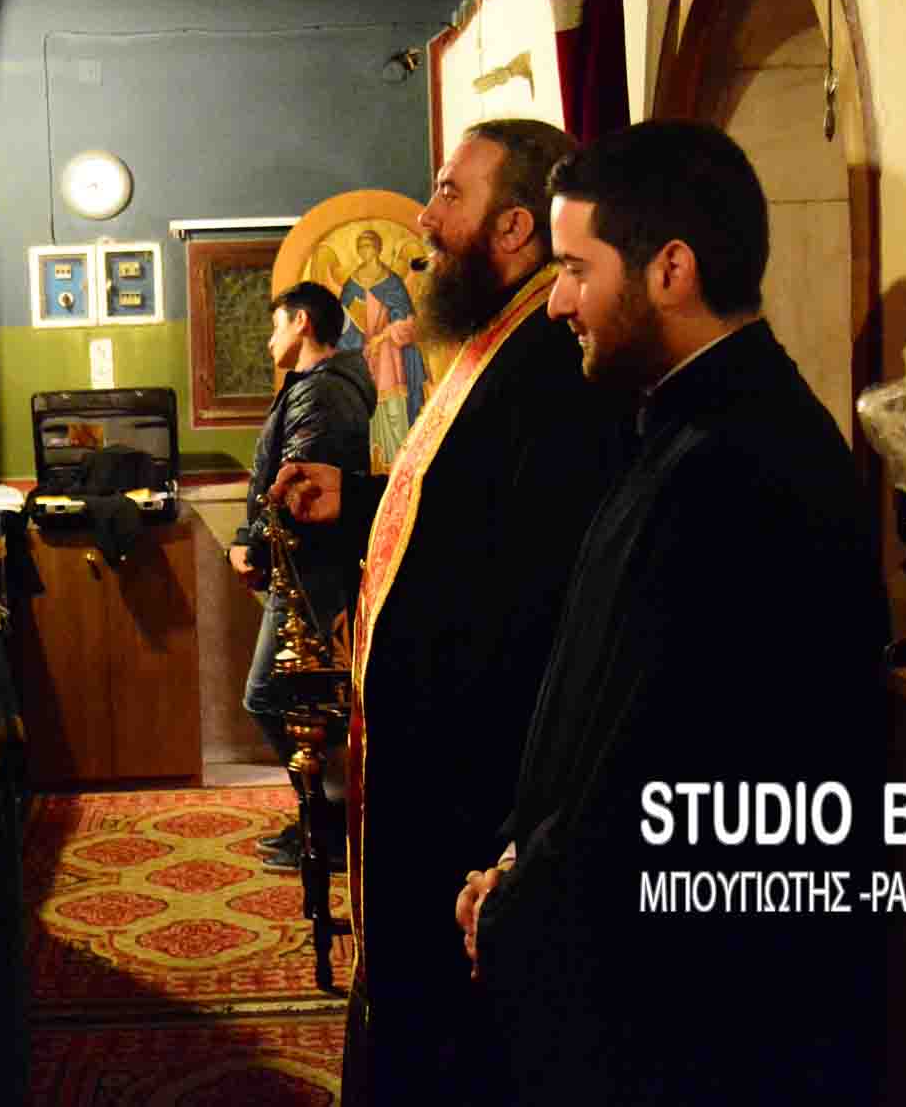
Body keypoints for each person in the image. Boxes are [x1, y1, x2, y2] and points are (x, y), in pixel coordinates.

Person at [456, 119, 887, 1104]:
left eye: (576, 269)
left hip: (693, 1010)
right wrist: (516, 856)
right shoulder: (679, 425)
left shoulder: (740, 463)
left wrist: (518, 903)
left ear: (670, 270)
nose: (557, 301)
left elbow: (660, 763)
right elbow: (590, 696)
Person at [271, 119, 627, 1105]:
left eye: (446, 194)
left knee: (451, 1031)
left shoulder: (548, 362)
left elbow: (532, 576)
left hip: (473, 774)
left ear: (513, 227)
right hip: (431, 757)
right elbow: (458, 504)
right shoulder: (490, 344)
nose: (424, 220)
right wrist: (353, 497)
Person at [230, 281, 374, 872]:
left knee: (275, 696)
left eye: (276, 326)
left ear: (302, 322)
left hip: (312, 570)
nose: (270, 341)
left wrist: (252, 545)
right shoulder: (316, 386)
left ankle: (332, 824)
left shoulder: (324, 391)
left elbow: (297, 486)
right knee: (298, 701)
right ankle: (323, 819)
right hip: (302, 568)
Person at [335, 229, 425, 470]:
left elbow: (407, 320)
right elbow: (341, 321)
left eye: (368, 246)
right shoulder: (352, 282)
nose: (364, 251)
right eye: (360, 247)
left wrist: (382, 336)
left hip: (390, 353)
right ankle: (373, 462)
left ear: (377, 248)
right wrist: (357, 338)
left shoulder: (392, 281)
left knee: (393, 407)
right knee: (368, 407)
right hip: (363, 353)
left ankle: (397, 461)